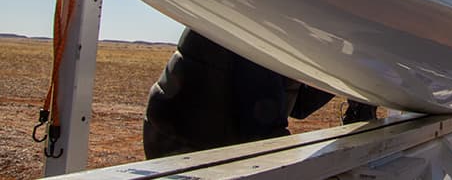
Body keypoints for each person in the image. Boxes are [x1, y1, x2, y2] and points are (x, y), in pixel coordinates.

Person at [143, 28, 376, 159]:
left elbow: (300, 105)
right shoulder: (253, 31)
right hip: (189, 152)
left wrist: (346, 72)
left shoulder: (274, 28)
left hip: (201, 145)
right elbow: (263, 135)